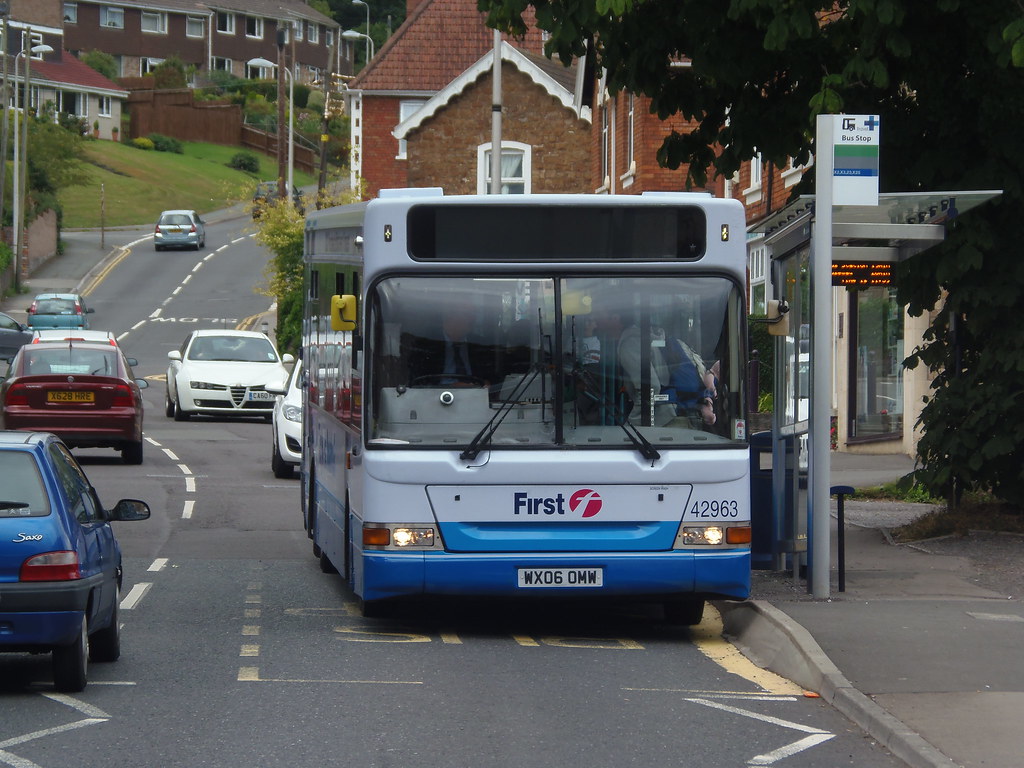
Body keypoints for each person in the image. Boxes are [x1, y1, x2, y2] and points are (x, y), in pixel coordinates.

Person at [406, 304, 491, 386]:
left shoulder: (480, 344)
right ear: (448, 317)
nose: (472, 321)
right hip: (435, 394)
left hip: (476, 394)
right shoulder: (426, 345)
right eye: (466, 315)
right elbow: (417, 382)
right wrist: (451, 387)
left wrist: (486, 383)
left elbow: (491, 376)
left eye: (472, 316)